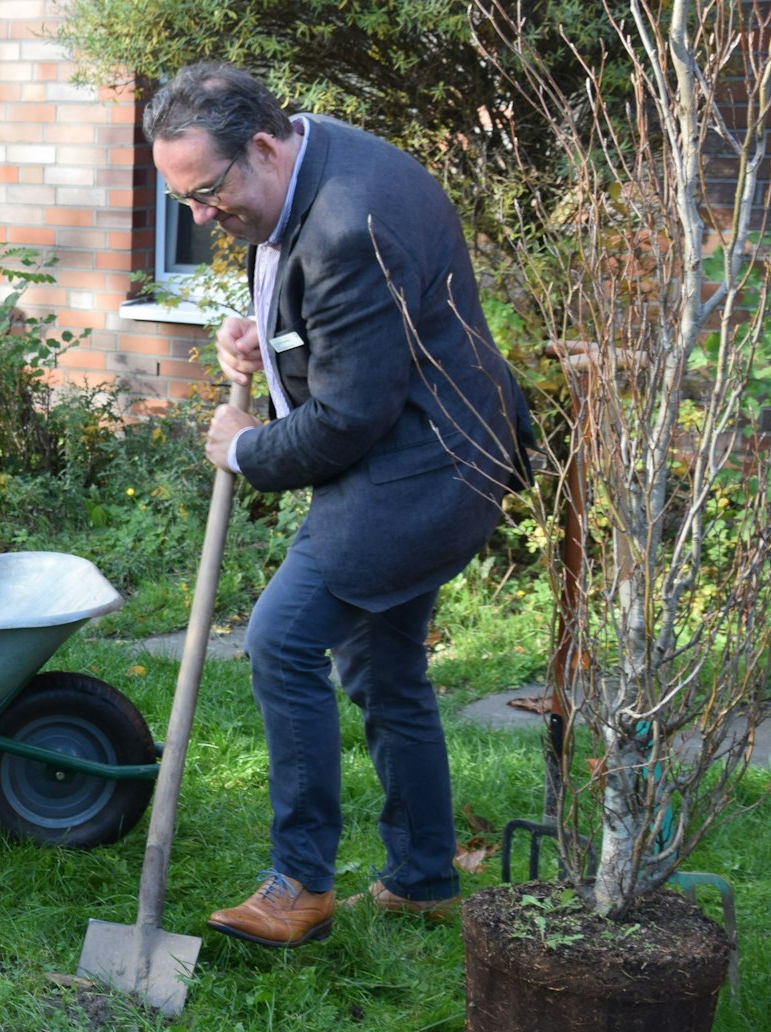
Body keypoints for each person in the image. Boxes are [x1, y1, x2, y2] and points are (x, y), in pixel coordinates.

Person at [144, 63, 533, 948]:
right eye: (185, 202)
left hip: (423, 469)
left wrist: (242, 446)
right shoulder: (304, 161)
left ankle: (300, 881)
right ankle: (424, 877)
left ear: (265, 146)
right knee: (385, 671)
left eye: (208, 194)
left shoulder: (353, 221)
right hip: (423, 448)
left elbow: (351, 416)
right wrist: (266, 334)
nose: (202, 218)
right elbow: (316, 300)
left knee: (283, 639)